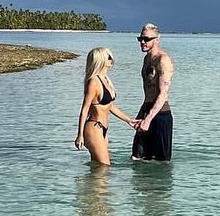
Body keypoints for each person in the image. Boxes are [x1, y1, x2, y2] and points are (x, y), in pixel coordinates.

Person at [74, 47, 139, 166]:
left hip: (103, 129)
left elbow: (110, 106)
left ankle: (88, 184)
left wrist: (129, 120)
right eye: (109, 57)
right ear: (101, 60)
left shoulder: (106, 79)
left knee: (98, 167)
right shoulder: (93, 82)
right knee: (105, 166)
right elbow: (84, 109)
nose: (112, 60)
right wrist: (80, 135)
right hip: (94, 128)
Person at [132, 23, 174, 161]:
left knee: (161, 163)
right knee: (137, 157)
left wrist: (148, 119)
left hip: (161, 114)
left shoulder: (163, 60)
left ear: (157, 39)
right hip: (147, 109)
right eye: (140, 39)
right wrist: (142, 114)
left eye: (146, 39)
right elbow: (148, 91)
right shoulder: (146, 59)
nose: (142, 42)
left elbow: (163, 94)